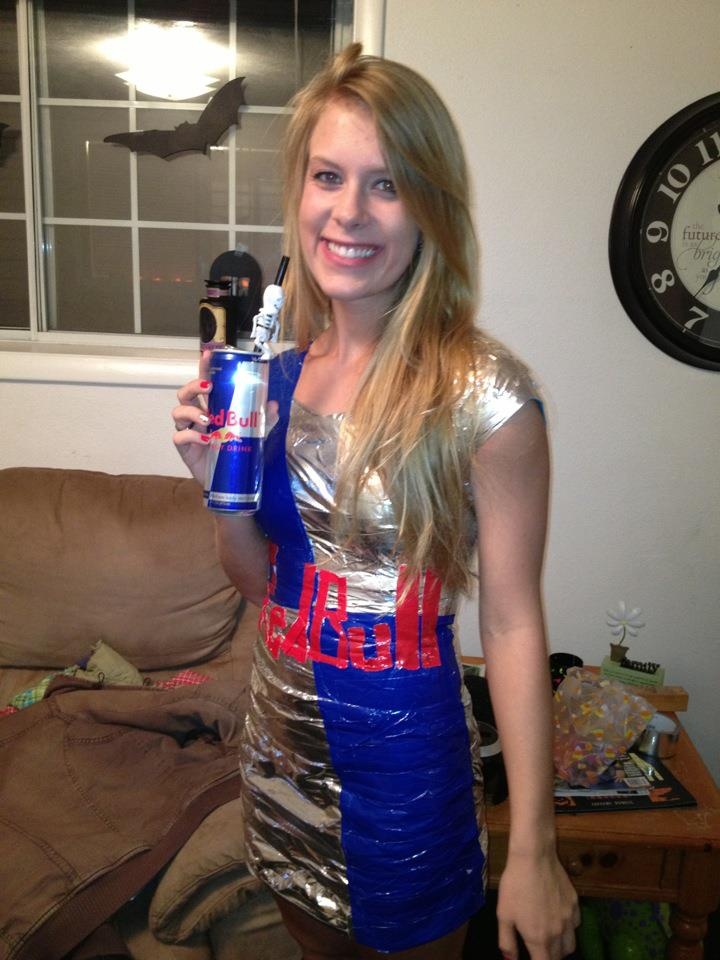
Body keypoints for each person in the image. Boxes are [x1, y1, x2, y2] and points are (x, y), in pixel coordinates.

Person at [173, 43, 579, 960]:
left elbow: (513, 623)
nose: (349, 212)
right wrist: (220, 490)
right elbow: (261, 587)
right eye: (328, 176)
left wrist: (534, 849)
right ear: (300, 190)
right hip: (279, 754)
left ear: (430, 204)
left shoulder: (488, 396)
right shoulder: (269, 381)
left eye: (387, 184)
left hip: (406, 772)